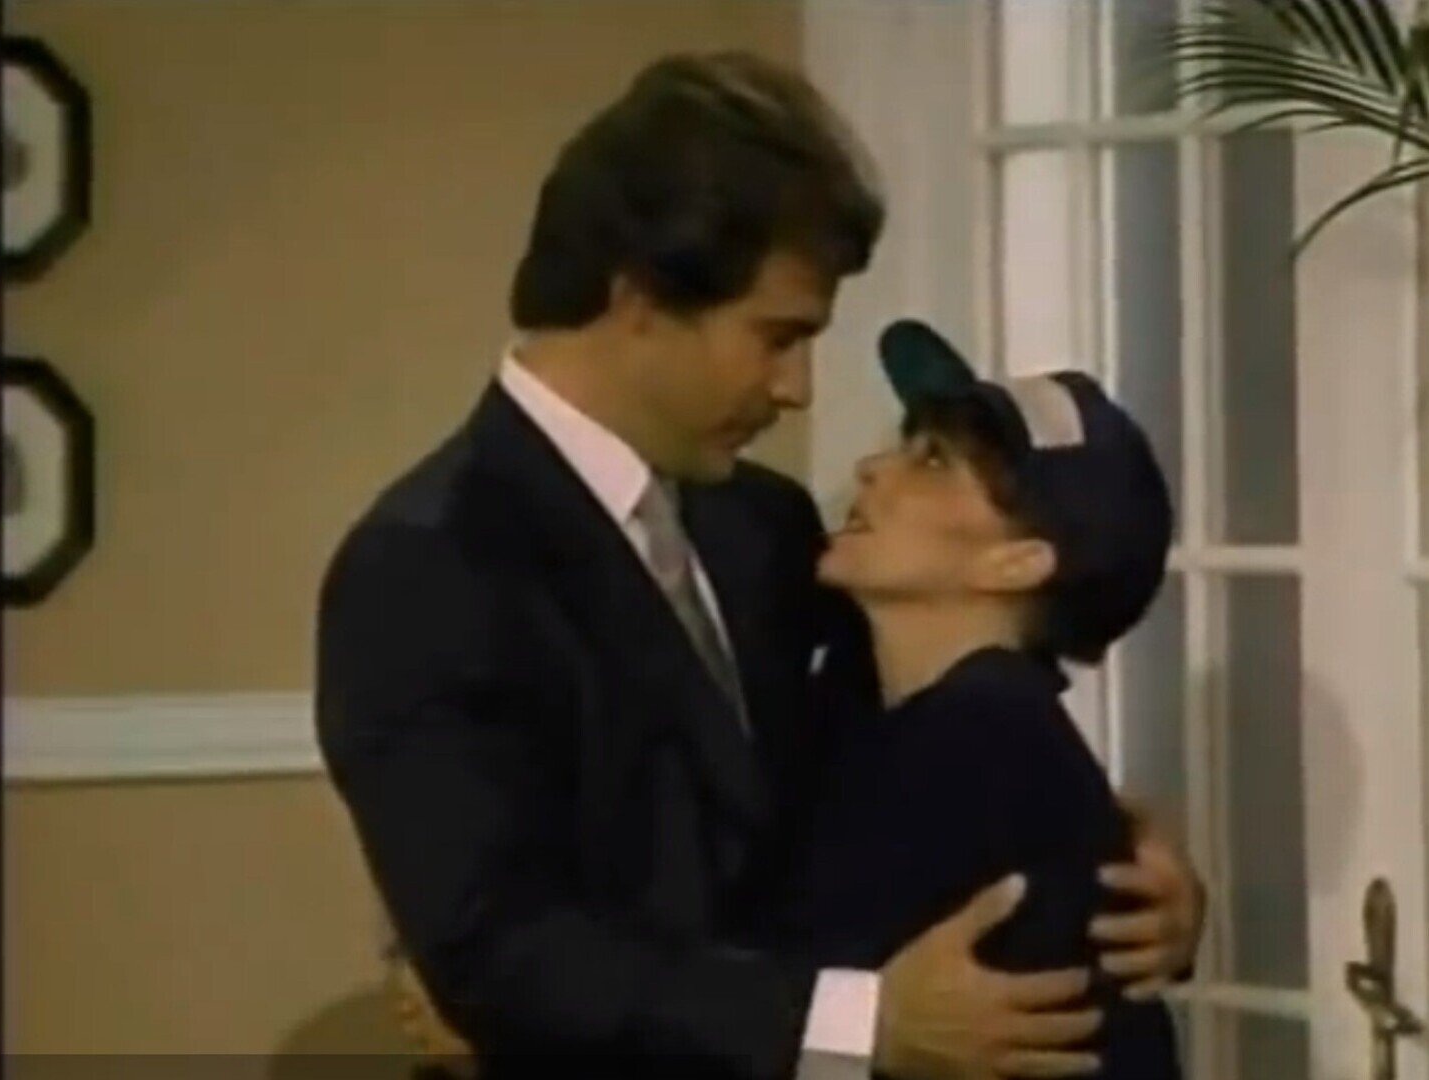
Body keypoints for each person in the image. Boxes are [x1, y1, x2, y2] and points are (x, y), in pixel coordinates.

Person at [316, 50, 1205, 1080]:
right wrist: (857, 1025)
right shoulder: (430, 566)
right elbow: (500, 950)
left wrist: (1115, 875)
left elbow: (933, 732)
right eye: (775, 337)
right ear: (640, 298)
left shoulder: (763, 527)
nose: (798, 388)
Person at [784, 320, 1181, 1079]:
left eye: (933, 461)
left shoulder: (980, 742)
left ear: (1017, 563)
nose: (872, 469)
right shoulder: (884, 705)